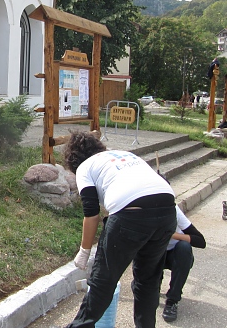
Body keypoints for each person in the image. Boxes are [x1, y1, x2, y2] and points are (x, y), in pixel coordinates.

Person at [64, 131, 176, 328]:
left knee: (103, 281)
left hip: (131, 216)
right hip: (167, 212)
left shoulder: (84, 168)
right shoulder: (125, 155)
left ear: (73, 161)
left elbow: (91, 214)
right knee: (148, 281)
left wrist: (84, 251)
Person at [161, 206, 206, 322]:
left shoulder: (173, 209)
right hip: (154, 254)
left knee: (184, 247)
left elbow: (201, 241)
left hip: (174, 255)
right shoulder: (142, 208)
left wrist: (171, 235)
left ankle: (172, 300)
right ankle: (151, 283)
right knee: (146, 293)